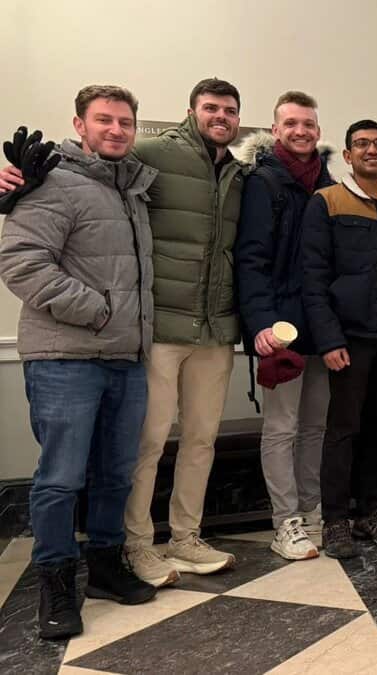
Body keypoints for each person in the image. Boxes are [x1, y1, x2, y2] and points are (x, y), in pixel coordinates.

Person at [0, 78, 250, 585]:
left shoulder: (231, 174)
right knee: (143, 447)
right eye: (210, 107)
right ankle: (133, 547)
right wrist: (16, 185)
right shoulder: (149, 156)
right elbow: (46, 218)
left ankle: (184, 538)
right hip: (151, 330)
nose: (220, 116)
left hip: (209, 330)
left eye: (229, 109)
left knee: (199, 442)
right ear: (190, 111)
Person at [0, 85, 158, 639]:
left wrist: (124, 327)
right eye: (104, 120)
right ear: (79, 124)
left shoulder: (133, 189)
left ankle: (106, 567)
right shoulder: (52, 182)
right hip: (65, 356)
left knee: (116, 472)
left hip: (126, 357)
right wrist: (95, 311)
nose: (116, 130)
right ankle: (56, 582)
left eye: (125, 122)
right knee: (60, 478)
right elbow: (19, 262)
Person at [235, 91, 335, 560]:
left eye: (309, 124)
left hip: (322, 324)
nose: (301, 131)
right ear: (275, 130)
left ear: (318, 129)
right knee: (282, 426)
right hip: (280, 327)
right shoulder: (261, 181)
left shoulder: (331, 183)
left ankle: (313, 510)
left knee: (315, 425)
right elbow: (250, 259)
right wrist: (259, 324)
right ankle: (286, 522)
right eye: (291, 123)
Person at [302, 120, 377, 559]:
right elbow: (313, 276)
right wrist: (329, 339)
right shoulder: (327, 201)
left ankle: (370, 509)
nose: (372, 151)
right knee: (343, 429)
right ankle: (335, 520)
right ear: (347, 155)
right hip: (350, 336)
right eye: (361, 144)